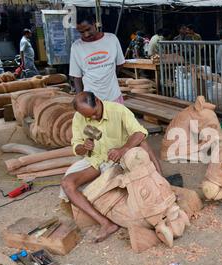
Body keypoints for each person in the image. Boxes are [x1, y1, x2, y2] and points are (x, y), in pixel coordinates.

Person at [60, 91, 163, 243]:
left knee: (143, 143)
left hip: (118, 158)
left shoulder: (118, 110)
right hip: (95, 160)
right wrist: (84, 147)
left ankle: (162, 183)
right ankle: (106, 224)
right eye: (88, 117)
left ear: (97, 100)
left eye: (94, 114)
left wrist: (123, 149)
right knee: (67, 184)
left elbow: (140, 133)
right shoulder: (79, 117)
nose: (93, 118)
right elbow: (76, 147)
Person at [70, 15, 125, 104]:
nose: (86, 34)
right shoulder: (76, 47)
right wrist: (80, 100)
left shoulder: (112, 39)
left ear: (94, 24)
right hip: (92, 101)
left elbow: (120, 64)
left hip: (114, 97)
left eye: (88, 29)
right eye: (81, 32)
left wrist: (108, 76)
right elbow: (77, 77)